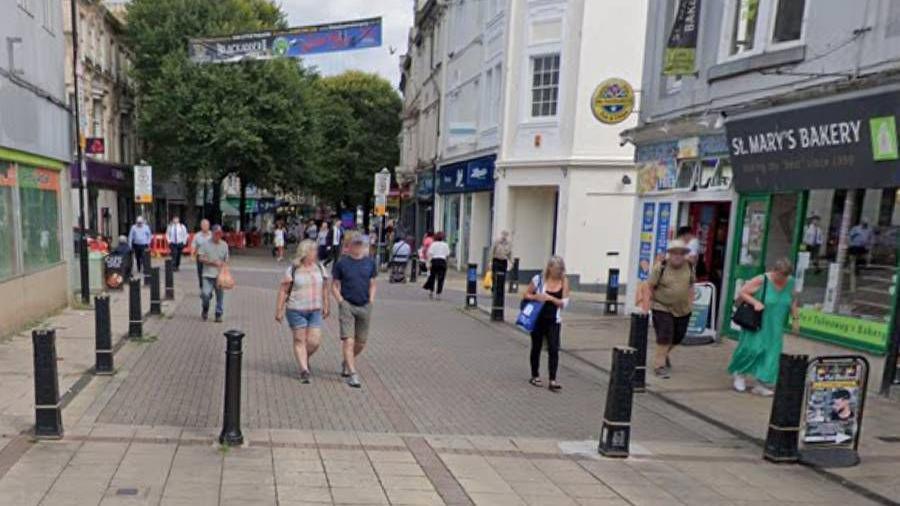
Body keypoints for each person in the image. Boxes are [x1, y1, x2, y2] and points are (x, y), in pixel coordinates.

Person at [728, 258, 799, 396]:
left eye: (785, 276)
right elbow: (743, 292)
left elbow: (793, 300)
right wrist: (755, 302)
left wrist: (795, 319)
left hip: (776, 324)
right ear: (774, 271)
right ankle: (740, 374)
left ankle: (761, 383)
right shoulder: (762, 279)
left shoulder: (790, 282)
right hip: (758, 322)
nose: (782, 279)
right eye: (780, 276)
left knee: (771, 354)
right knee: (752, 349)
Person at [275, 239, 330, 384]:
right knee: (300, 340)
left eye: (315, 251)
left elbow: (325, 287)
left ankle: (304, 357)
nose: (315, 254)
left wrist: (326, 303)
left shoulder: (320, 267)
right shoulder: (293, 269)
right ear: (305, 253)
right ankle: (304, 370)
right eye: (312, 252)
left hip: (315, 309)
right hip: (296, 309)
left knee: (314, 341)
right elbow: (283, 290)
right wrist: (279, 310)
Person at [331, 235, 378, 388]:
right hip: (348, 305)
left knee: (361, 342)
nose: (359, 247)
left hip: (365, 305)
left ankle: (347, 360)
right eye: (355, 244)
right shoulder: (341, 264)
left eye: (361, 245)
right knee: (348, 340)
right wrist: (340, 301)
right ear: (348, 246)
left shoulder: (370, 263)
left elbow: (372, 283)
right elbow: (334, 285)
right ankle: (352, 373)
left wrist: (371, 300)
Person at [648, 240, 695, 379]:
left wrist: (691, 303)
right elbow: (650, 286)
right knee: (665, 335)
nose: (678, 256)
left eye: (681, 253)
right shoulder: (661, 267)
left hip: (683, 308)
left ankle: (664, 354)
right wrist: (648, 304)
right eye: (675, 253)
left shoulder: (690, 266)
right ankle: (659, 365)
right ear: (670, 254)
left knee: (678, 336)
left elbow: (691, 285)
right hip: (661, 306)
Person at [525, 256, 571, 391]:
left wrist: (550, 298)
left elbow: (564, 303)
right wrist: (536, 296)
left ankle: (553, 379)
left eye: (561, 270)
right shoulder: (538, 279)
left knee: (553, 348)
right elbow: (526, 294)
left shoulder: (564, 281)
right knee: (536, 346)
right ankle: (535, 375)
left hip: (553, 320)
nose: (559, 272)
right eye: (557, 269)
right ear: (550, 268)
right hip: (537, 318)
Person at [198, 225, 230, 322]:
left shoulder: (224, 245)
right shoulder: (205, 244)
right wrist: (212, 262)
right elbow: (200, 258)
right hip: (207, 275)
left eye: (220, 234)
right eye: (216, 234)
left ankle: (218, 314)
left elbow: (226, 259)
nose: (218, 236)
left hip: (219, 276)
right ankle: (205, 308)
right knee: (205, 294)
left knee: (220, 296)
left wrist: (224, 267)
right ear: (212, 233)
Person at [423, 232, 450, 299]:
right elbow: (447, 255)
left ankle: (431, 291)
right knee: (441, 278)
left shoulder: (433, 244)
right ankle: (438, 294)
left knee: (432, 277)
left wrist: (429, 263)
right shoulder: (445, 245)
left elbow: (430, 254)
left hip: (434, 261)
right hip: (442, 261)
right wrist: (447, 263)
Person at [193, 219, 212, 290]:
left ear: (209, 226)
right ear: (201, 226)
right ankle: (202, 287)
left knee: (210, 272)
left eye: (206, 225)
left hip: (210, 256)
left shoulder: (212, 235)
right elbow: (193, 245)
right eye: (203, 225)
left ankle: (209, 287)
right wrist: (193, 253)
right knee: (200, 272)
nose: (205, 227)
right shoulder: (197, 235)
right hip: (200, 256)